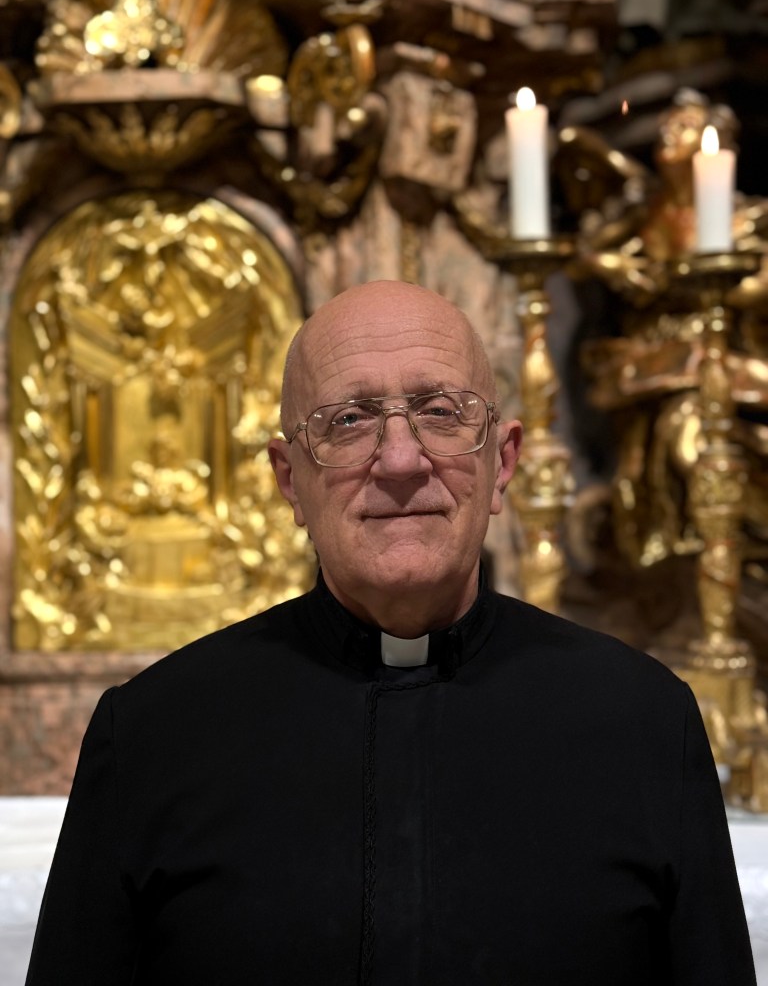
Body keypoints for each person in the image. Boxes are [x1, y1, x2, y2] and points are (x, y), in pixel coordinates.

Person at [25, 280, 755, 985]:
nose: (402, 461)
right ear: (289, 479)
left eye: (441, 411)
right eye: (347, 420)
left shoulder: (644, 721)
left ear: (502, 462)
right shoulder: (153, 733)